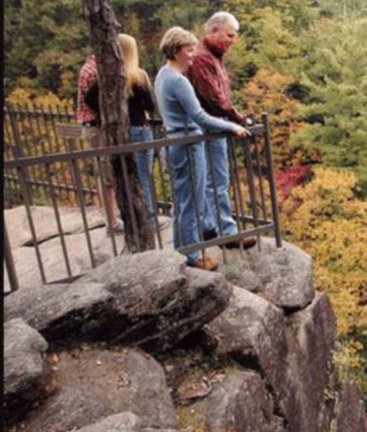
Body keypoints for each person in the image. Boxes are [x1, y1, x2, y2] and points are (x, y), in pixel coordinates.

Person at [154, 26, 249, 271]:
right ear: (175, 51)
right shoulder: (178, 81)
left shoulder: (162, 75)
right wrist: (231, 127)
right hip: (188, 144)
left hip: (174, 143)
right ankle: (193, 255)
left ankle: (181, 250)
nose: (193, 55)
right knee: (193, 203)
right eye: (188, 50)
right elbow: (200, 116)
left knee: (182, 201)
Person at [187, 11, 255, 248]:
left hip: (211, 124)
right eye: (229, 36)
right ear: (213, 31)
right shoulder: (203, 57)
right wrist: (237, 118)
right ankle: (227, 232)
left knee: (210, 181)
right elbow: (214, 97)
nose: (232, 41)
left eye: (234, 37)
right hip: (210, 125)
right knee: (217, 181)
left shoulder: (214, 55)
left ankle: (210, 227)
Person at [84, 34, 166, 230]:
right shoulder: (139, 76)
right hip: (140, 129)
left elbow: (89, 98)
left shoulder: (109, 78)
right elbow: (150, 105)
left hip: (121, 132)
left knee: (126, 177)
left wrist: (109, 111)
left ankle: (132, 219)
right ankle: (150, 219)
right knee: (144, 177)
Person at [75, 54, 121, 235]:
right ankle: (112, 222)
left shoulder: (89, 66)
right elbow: (91, 98)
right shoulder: (96, 70)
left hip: (91, 126)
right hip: (96, 126)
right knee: (106, 176)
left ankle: (113, 218)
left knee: (105, 174)